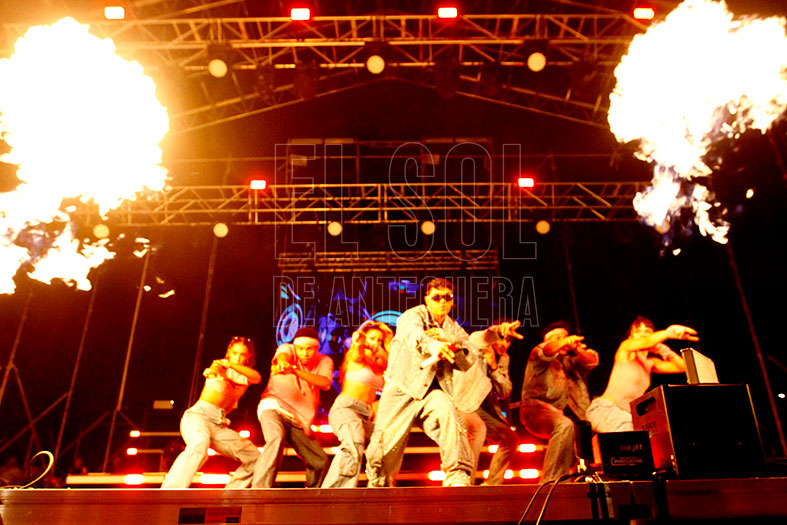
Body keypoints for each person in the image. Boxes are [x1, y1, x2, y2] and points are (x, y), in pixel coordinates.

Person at [365, 277, 521, 487]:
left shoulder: (452, 328)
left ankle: (458, 476)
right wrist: (435, 346)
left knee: (449, 411)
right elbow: (412, 333)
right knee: (384, 453)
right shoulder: (413, 316)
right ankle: (379, 486)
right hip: (401, 391)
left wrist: (497, 333)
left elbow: (471, 346)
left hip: (430, 394)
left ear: (452, 301)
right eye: (436, 297)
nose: (442, 302)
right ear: (427, 299)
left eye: (447, 298)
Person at [161, 336, 263, 488]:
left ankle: (231, 495)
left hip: (218, 424)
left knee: (255, 457)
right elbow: (213, 370)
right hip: (198, 417)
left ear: (249, 357)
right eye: (235, 353)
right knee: (200, 444)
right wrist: (211, 372)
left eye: (242, 354)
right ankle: (170, 490)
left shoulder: (245, 375)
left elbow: (257, 378)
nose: (237, 357)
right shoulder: (221, 365)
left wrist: (231, 364)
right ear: (229, 352)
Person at [587, 316, 696, 433]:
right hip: (605, 409)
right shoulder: (626, 349)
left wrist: (662, 349)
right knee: (638, 437)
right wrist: (669, 333)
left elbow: (683, 367)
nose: (643, 334)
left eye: (647, 331)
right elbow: (646, 342)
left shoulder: (649, 363)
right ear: (630, 337)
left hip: (626, 416)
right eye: (638, 331)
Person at [520, 321, 599, 482]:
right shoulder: (539, 357)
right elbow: (546, 350)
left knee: (579, 435)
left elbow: (592, 361)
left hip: (561, 413)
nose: (563, 340)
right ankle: (550, 482)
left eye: (565, 336)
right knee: (564, 425)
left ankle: (568, 480)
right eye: (558, 338)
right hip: (536, 409)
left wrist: (576, 348)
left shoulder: (570, 362)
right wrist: (565, 341)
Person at [255, 327, 334, 487]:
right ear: (295, 347)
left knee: (318, 460)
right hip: (273, 406)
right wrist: (283, 363)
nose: (304, 353)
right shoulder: (287, 349)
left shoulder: (324, 361)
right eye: (301, 349)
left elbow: (325, 383)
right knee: (276, 437)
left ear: (316, 348)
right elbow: (283, 355)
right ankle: (260, 489)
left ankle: (313, 496)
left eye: (309, 349)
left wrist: (294, 371)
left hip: (298, 419)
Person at [322, 321, 393, 488]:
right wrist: (359, 341)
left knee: (385, 447)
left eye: (379, 340)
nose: (375, 343)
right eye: (372, 338)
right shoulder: (357, 357)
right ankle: (335, 493)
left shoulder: (381, 366)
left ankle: (378, 491)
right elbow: (357, 350)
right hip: (346, 409)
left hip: (365, 416)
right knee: (354, 442)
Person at [453, 324, 522, 485]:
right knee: (477, 429)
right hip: (460, 402)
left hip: (479, 409)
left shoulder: (503, 358)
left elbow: (505, 391)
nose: (504, 344)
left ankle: (492, 484)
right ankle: (465, 483)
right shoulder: (476, 343)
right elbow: (484, 336)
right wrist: (499, 331)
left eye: (508, 341)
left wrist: (494, 367)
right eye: (502, 339)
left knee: (510, 439)